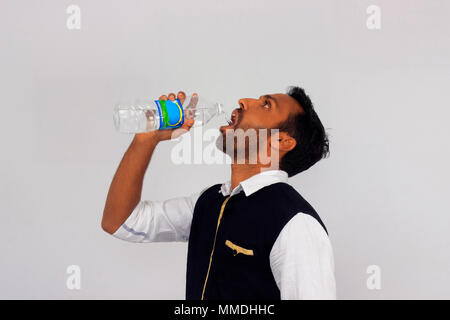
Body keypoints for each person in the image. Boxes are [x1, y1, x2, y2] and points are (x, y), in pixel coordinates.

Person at [101, 86, 336, 300]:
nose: (244, 100)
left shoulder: (296, 223)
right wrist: (147, 138)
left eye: (266, 104)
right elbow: (120, 221)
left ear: (283, 141)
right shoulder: (209, 201)